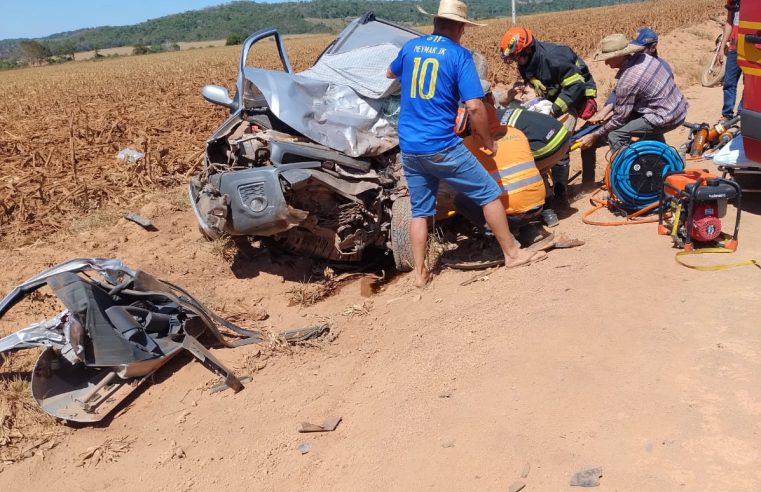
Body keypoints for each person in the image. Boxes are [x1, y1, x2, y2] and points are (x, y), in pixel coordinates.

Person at [387, 0, 539, 287]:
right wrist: (487, 141)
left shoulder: (411, 47)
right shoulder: (459, 55)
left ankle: (420, 275)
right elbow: (475, 107)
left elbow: (389, 74)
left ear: (436, 22)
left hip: (409, 146)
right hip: (441, 145)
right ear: (459, 27)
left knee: (420, 211)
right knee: (489, 193)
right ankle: (513, 253)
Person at [498, 27, 598, 224]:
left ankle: (561, 196)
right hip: (552, 98)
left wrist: (553, 111)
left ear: (528, 50)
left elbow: (575, 87)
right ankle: (543, 197)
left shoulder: (554, 58)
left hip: (574, 99)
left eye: (517, 57)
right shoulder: (526, 62)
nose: (516, 62)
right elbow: (538, 84)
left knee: (558, 139)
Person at [578, 34, 688, 152]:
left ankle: (626, 169)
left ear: (618, 56)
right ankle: (661, 159)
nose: (606, 63)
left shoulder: (628, 80)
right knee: (645, 129)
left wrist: (596, 135)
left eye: (608, 58)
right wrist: (607, 111)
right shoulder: (644, 58)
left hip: (665, 116)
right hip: (678, 108)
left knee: (615, 135)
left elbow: (620, 119)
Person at [589, 27, 673, 125]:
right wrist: (605, 110)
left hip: (653, 114)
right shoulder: (634, 65)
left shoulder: (662, 68)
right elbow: (618, 91)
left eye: (640, 50)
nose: (636, 54)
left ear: (653, 47)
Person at [718, 0, 743, 123]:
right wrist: (722, 48)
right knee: (729, 83)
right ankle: (727, 114)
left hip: (751, 49)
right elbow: (729, 23)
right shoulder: (733, 1)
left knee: (750, 85)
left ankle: (742, 113)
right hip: (734, 47)